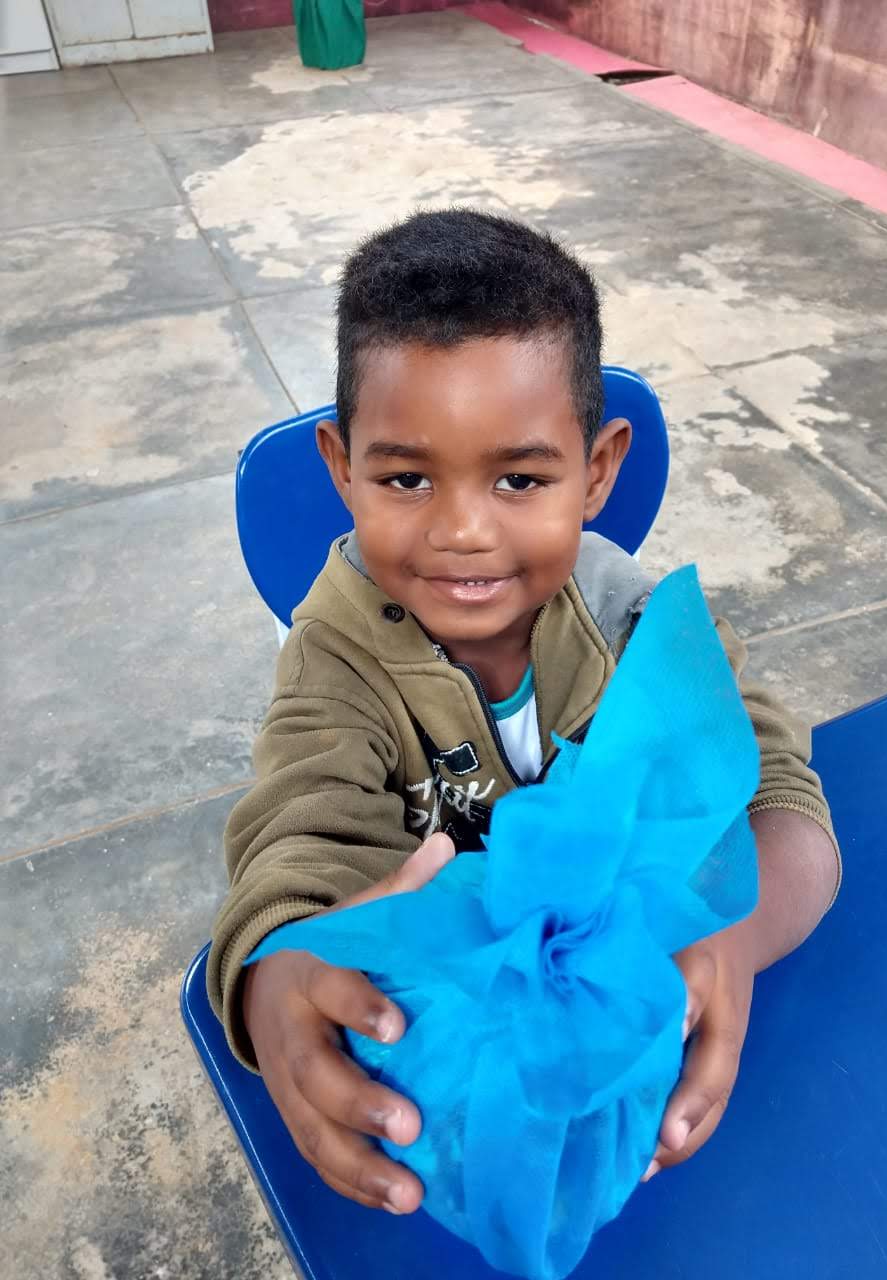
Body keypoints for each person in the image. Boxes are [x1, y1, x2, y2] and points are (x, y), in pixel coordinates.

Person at [208, 208, 841, 1218]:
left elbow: (780, 800)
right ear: (341, 467)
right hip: (465, 1050)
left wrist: (729, 936)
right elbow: (297, 836)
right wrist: (278, 975)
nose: (463, 531)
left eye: (519, 477)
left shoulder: (639, 625)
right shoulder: (337, 658)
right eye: (406, 477)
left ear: (597, 471)